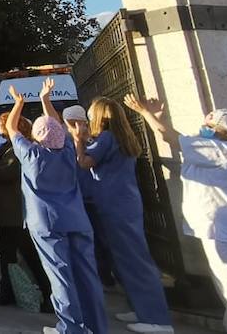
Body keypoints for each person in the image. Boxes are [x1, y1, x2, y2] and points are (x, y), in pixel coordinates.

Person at [128, 95, 227, 332]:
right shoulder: (221, 150)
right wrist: (157, 117)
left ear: (226, 131)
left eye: (210, 126)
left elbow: (170, 138)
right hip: (223, 231)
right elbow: (181, 142)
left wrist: (145, 113)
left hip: (226, 233)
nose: (204, 129)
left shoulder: (225, 152)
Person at [5, 80, 106, 334]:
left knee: (61, 278)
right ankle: (97, 327)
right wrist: (45, 99)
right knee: (88, 276)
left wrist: (19, 103)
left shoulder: (31, 155)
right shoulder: (69, 150)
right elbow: (57, 126)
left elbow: (11, 127)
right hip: (77, 220)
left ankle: (71, 328)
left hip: (47, 224)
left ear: (37, 136)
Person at [68, 98, 174, 333]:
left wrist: (77, 141)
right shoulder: (122, 136)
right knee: (128, 258)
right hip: (124, 201)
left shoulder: (106, 138)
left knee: (134, 259)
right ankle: (142, 309)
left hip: (114, 203)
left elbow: (84, 163)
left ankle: (157, 319)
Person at [0, 112, 54, 312]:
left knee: (24, 255)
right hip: (11, 211)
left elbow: (4, 174)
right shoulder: (9, 146)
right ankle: (12, 291)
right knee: (15, 255)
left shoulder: (19, 148)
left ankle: (44, 295)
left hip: (15, 212)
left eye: (2, 123)